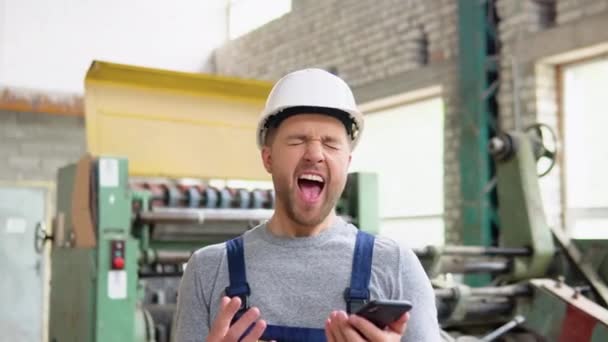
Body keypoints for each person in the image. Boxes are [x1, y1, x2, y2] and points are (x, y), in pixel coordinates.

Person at [173, 68, 440, 341]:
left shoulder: (394, 265)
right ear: (268, 158)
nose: (314, 154)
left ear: (347, 163)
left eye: (331, 143)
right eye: (298, 140)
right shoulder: (208, 270)